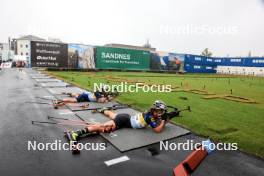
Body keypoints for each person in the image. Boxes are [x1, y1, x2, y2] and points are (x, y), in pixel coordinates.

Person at [65, 100, 179, 144]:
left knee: (112, 115)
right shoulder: (150, 117)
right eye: (160, 111)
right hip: (124, 121)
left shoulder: (151, 115)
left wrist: (167, 118)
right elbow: (158, 130)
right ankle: (75, 134)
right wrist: (164, 121)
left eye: (162, 112)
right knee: (103, 128)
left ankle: (103, 110)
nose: (160, 114)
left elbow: (159, 120)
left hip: (126, 118)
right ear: (155, 110)